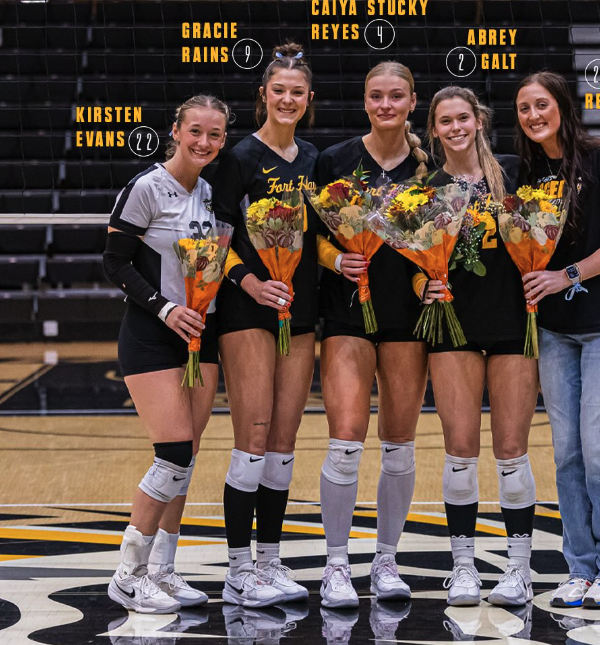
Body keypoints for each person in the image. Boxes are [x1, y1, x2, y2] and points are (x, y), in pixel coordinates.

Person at [514, 71, 600, 609]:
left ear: (562, 105)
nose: (532, 115)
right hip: (556, 329)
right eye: (523, 108)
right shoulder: (528, 172)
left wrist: (566, 276)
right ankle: (580, 568)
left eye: (541, 104)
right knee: (567, 452)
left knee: (598, 447)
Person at [103, 94, 230, 613]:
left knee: (188, 457)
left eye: (215, 135)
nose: (204, 142)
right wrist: (162, 309)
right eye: (195, 131)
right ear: (175, 130)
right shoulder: (146, 187)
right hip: (152, 335)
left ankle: (164, 571)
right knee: (172, 452)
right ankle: (128, 574)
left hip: (201, 337)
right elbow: (115, 263)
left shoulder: (209, 192)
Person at [414, 87, 537, 607]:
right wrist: (424, 287)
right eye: (445, 121)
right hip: (453, 326)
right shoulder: (424, 188)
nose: (456, 127)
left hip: (512, 320)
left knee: (511, 451)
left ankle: (519, 570)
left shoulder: (514, 172)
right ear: (435, 130)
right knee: (460, 450)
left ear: (480, 121)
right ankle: (463, 568)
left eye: (464, 117)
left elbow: (543, 235)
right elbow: (410, 268)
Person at [314, 61, 428, 608]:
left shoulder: (428, 170)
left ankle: (386, 560)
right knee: (346, 437)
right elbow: (310, 239)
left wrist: (430, 276)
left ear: (412, 102)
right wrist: (338, 260)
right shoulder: (334, 160)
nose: (386, 105)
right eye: (377, 96)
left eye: (397, 96)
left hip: (407, 318)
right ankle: (336, 566)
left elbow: (435, 242)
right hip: (346, 314)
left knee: (400, 443)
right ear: (365, 101)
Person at [212, 43, 318, 608]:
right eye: (278, 90)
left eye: (296, 91)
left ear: (308, 99)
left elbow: (323, 236)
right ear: (263, 96)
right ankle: (236, 569)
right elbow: (217, 236)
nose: (287, 99)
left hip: (299, 313)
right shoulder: (238, 157)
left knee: (283, 440)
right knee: (252, 437)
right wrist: (251, 283)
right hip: (247, 310)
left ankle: (270, 564)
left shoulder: (312, 159)